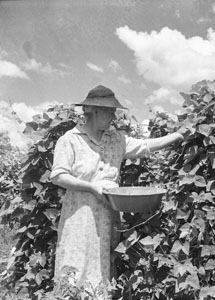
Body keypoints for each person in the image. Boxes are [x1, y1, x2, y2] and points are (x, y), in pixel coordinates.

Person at [50, 85, 184, 296]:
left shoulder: (116, 140)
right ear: (94, 110)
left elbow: (145, 146)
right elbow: (59, 176)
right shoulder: (70, 140)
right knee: (74, 268)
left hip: (108, 217)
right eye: (110, 110)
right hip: (79, 218)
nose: (114, 115)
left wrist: (177, 135)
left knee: (102, 269)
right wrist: (91, 187)